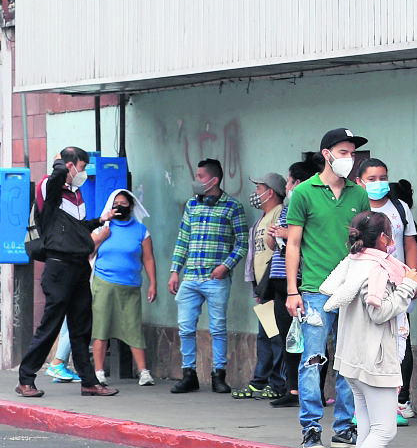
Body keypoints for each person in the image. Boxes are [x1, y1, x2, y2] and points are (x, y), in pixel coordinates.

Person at [322, 210, 417, 448]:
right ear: (382, 238)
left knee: (367, 430)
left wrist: (404, 284)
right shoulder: (378, 268)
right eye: (389, 233)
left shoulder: (354, 261)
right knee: (384, 429)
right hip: (374, 360)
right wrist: (407, 287)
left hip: (353, 359)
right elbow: (379, 312)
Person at [285, 129, 371, 448]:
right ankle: (310, 427)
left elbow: (364, 242)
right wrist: (292, 291)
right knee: (312, 360)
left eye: (352, 153)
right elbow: (293, 244)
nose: (350, 158)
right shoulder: (303, 192)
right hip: (314, 291)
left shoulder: (358, 194)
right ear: (326, 154)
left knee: (348, 362)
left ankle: (344, 427)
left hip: (352, 290)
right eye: (344, 152)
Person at [16, 148, 117, 397]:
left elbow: (76, 229)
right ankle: (25, 379)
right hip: (59, 267)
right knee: (50, 326)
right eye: (81, 168)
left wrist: (100, 220)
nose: (83, 173)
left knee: (81, 328)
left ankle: (89, 382)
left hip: (79, 266)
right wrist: (61, 163)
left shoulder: (76, 195)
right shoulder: (49, 189)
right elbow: (56, 176)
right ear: (70, 166)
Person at [168, 158, 247, 395]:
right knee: (185, 328)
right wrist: (174, 271)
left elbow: (242, 242)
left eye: (200, 176)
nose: (196, 180)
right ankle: (188, 374)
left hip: (216, 279)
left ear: (213, 180)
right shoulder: (192, 205)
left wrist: (225, 266)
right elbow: (183, 239)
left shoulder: (232, 207)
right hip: (191, 276)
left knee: (218, 328)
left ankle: (218, 375)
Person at [358, 158, 417, 423]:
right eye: (372, 179)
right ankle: (363, 405)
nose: (379, 183)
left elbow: (410, 244)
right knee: (367, 343)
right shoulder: (356, 206)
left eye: (383, 178)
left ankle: (400, 400)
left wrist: (413, 278)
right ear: (359, 182)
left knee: (401, 342)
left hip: (398, 286)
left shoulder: (399, 208)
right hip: (367, 285)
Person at [88, 188, 156, 387]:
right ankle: (98, 371)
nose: (119, 206)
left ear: (131, 206)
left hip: (130, 286)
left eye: (124, 203)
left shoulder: (141, 230)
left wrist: (153, 283)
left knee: (133, 328)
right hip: (104, 284)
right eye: (116, 203)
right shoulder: (102, 228)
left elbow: (148, 259)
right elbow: (88, 253)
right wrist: (101, 237)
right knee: (101, 328)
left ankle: (143, 371)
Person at [267, 161, 316, 409]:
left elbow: (310, 237)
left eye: (288, 181)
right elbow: (272, 245)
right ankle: (292, 388)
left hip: (302, 282)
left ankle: (311, 390)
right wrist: (273, 234)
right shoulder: (286, 208)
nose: (286, 187)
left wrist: (287, 234)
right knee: (288, 337)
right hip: (281, 281)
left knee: (311, 339)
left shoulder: (310, 206)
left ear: (299, 183)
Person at [237, 173, 288, 399]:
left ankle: (277, 384)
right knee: (265, 336)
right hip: (263, 287)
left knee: (276, 336)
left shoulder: (279, 213)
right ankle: (260, 381)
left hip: (274, 285)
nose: (255, 193)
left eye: (259, 188)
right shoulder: (262, 218)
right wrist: (255, 286)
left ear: (271, 192)